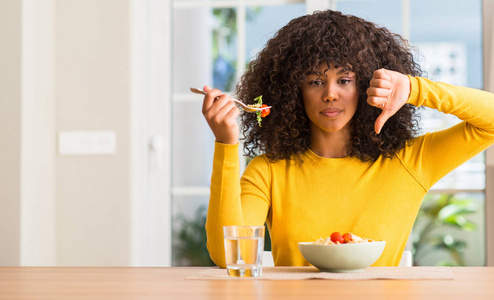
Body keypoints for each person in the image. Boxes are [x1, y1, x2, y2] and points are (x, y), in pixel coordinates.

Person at [201, 10, 494, 267]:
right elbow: (229, 256)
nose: (330, 93)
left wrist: (414, 89)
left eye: (345, 80)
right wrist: (226, 144)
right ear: (293, 92)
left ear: (367, 84)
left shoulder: (409, 161)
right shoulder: (269, 170)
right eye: (316, 81)